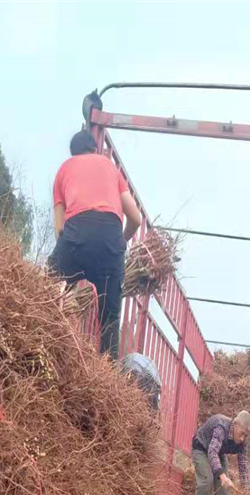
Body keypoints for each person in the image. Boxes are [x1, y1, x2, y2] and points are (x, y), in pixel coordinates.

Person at [50, 130, 143, 359]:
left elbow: (60, 229)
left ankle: (44, 344)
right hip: (110, 238)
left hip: (76, 234)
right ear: (95, 150)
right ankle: (107, 373)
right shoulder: (110, 167)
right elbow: (136, 219)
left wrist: (64, 262)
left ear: (73, 154)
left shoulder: (64, 169)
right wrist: (119, 243)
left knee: (46, 288)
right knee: (110, 316)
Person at [190, 412, 250, 495]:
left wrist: (245, 490)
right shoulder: (221, 427)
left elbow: (243, 466)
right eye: (242, 433)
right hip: (201, 448)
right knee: (206, 481)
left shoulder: (243, 442)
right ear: (235, 424)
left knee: (224, 487)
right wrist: (222, 475)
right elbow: (212, 452)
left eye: (246, 436)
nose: (242, 438)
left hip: (219, 453)